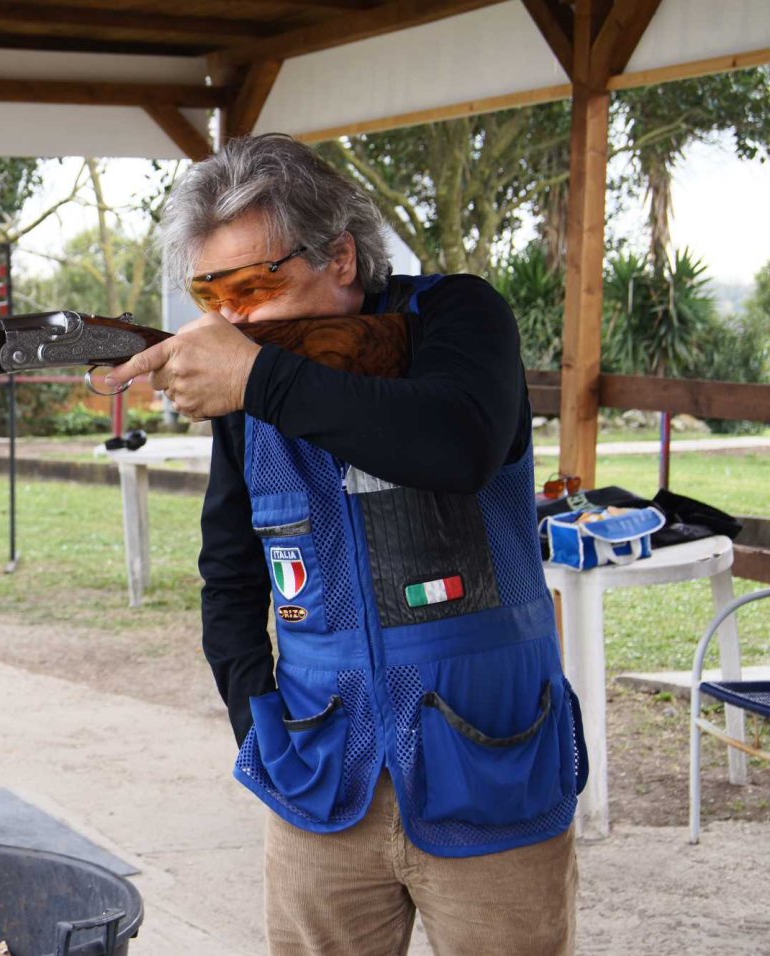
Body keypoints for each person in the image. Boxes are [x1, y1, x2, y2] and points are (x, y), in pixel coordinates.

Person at [105, 133, 584, 955]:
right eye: (211, 295)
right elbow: (229, 571)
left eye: (255, 286)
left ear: (340, 257)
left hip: (491, 762)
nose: (232, 320)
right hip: (319, 771)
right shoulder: (247, 380)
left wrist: (255, 377)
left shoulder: (457, 317)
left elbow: (457, 445)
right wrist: (256, 722)